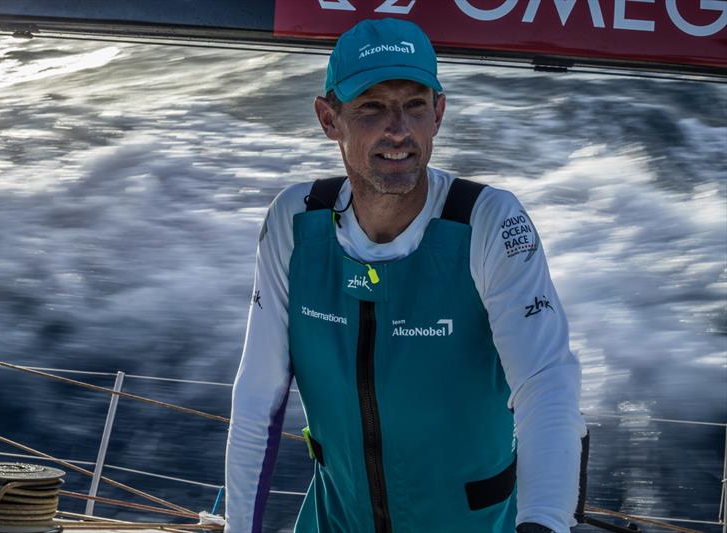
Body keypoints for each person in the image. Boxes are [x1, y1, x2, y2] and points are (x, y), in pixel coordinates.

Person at [225, 17, 586, 533]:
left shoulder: (488, 221)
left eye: (414, 104)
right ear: (330, 119)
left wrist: (545, 522)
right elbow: (259, 392)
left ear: (438, 113)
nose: (398, 130)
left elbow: (546, 383)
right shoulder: (294, 221)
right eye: (372, 107)